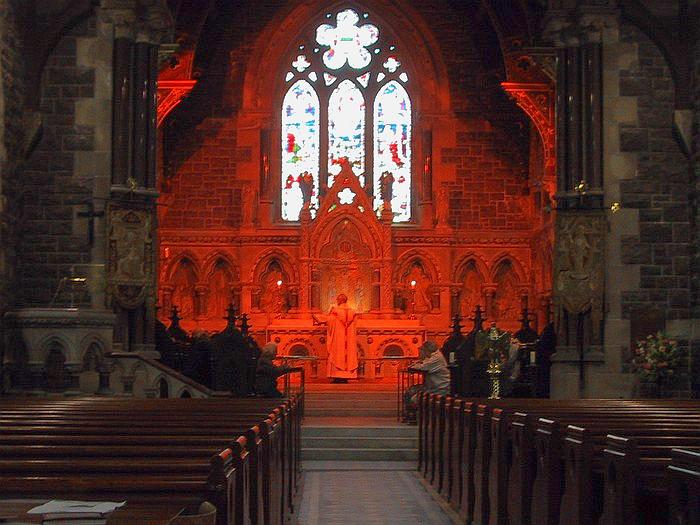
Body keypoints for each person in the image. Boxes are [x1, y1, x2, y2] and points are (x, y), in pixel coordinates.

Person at [313, 293, 358, 383]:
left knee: (337, 354)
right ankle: (346, 376)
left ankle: (338, 376)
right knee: (348, 355)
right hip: (349, 339)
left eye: (337, 300)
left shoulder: (335, 311)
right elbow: (355, 326)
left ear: (341, 300)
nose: (337, 301)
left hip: (338, 338)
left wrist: (319, 318)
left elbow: (329, 320)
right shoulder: (353, 312)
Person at [405, 340, 450, 407]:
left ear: (427, 350)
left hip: (440, 389)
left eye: (423, 350)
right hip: (436, 386)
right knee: (411, 390)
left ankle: (416, 411)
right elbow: (422, 364)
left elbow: (421, 367)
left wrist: (417, 362)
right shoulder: (434, 356)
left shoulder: (436, 358)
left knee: (413, 398)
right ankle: (414, 411)